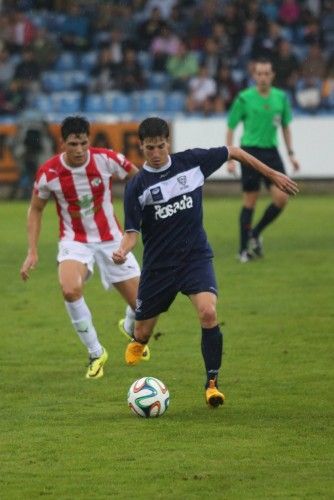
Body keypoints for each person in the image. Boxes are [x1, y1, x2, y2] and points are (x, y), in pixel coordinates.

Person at [112, 117, 298, 407]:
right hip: (159, 266)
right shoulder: (138, 186)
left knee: (209, 313)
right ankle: (135, 332)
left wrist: (272, 174)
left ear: (168, 142)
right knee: (142, 332)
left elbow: (233, 151)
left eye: (161, 146)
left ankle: (212, 384)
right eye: (150, 148)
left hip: (194, 258)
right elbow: (131, 233)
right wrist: (123, 251)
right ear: (141, 146)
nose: (156, 153)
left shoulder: (192, 162)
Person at [20, 115, 149, 380]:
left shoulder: (106, 159)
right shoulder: (49, 173)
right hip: (74, 241)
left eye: (82, 143)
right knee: (70, 288)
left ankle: (129, 325)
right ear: (62, 143)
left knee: (144, 308)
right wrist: (32, 250)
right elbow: (35, 209)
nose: (79, 150)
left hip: (112, 239)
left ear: (88, 140)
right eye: (72, 144)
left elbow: (140, 181)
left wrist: (138, 219)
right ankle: (95, 351)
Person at [226, 58, 300, 263]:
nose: (263, 77)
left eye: (267, 73)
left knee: (282, 198)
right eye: (259, 73)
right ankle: (243, 250)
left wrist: (291, 154)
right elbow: (231, 126)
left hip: (272, 152)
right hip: (250, 152)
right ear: (254, 76)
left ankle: (255, 232)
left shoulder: (281, 98)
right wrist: (230, 157)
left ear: (272, 75)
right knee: (250, 200)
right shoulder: (244, 98)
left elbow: (285, 127)